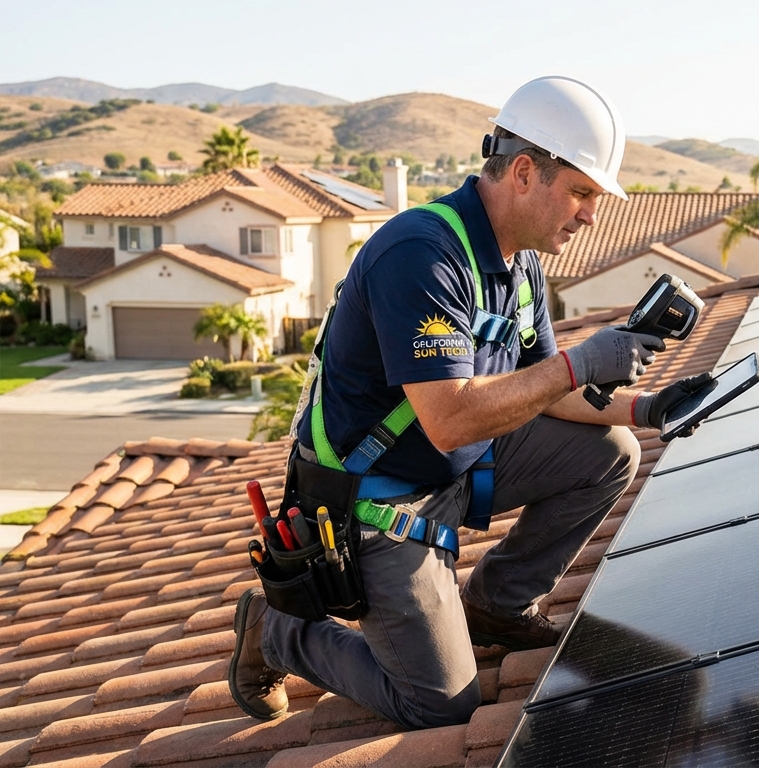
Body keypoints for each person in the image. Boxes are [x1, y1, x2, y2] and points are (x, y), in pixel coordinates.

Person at [228, 76, 712, 729]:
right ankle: (278, 630)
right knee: (440, 707)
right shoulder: (422, 255)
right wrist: (577, 364)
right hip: (379, 500)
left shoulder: (520, 266)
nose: (590, 214)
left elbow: (545, 388)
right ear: (521, 172)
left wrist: (649, 409)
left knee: (612, 453)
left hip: (454, 470)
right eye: (580, 192)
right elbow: (450, 418)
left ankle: (500, 606)